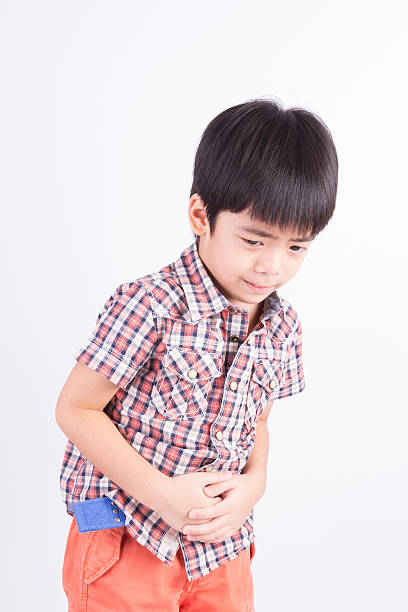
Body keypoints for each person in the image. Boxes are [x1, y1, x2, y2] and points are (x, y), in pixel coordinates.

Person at [56, 97, 338, 611]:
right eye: (254, 239)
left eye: (297, 247)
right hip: (125, 534)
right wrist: (162, 494)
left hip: (219, 549)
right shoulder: (151, 304)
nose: (273, 265)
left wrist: (255, 485)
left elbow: (258, 423)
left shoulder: (282, 327)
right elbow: (76, 409)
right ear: (200, 215)